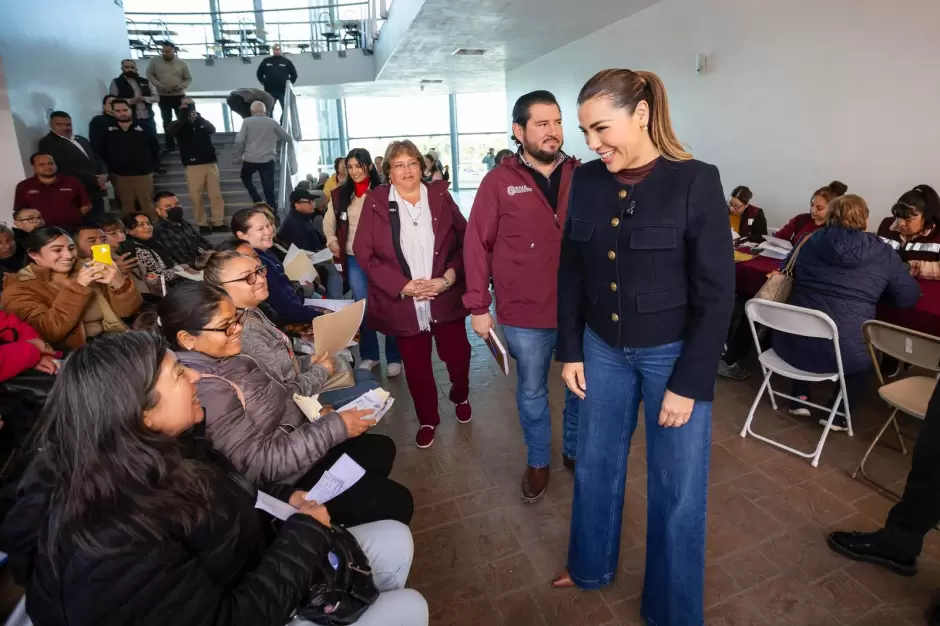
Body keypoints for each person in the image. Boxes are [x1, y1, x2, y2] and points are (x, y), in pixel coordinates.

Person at [0, 331, 428, 626]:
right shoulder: (112, 541)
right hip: (248, 599)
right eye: (178, 375)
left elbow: (237, 484)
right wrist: (304, 535)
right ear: (139, 412)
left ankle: (354, 602)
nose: (197, 377)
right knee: (409, 606)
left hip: (252, 557)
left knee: (395, 537)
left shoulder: (161, 444)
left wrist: (286, 497)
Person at [552, 70, 735, 626]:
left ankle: (673, 610)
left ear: (641, 115)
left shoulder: (695, 181)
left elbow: (716, 292)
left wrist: (689, 381)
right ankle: (588, 566)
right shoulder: (585, 180)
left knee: (676, 488)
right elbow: (571, 273)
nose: (591, 143)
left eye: (600, 128)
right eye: (584, 132)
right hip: (601, 349)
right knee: (596, 464)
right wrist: (571, 350)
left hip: (672, 358)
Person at [153, 282, 414, 526]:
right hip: (288, 479)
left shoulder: (229, 356)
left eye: (237, 319)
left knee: (381, 449)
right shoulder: (208, 388)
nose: (238, 329)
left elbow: (282, 393)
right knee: (398, 502)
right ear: (187, 339)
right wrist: (333, 427)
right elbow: (260, 465)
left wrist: (315, 415)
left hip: (299, 443)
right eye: (225, 326)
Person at [463, 90, 580, 501]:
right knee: (532, 391)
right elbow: (476, 244)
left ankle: (573, 449)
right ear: (519, 130)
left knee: (581, 387)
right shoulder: (499, 181)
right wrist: (478, 306)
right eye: (542, 124)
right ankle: (537, 460)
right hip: (523, 314)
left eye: (558, 122)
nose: (553, 132)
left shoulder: (581, 174)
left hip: (578, 310)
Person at [355, 140, 472, 449]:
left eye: (412, 163)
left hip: (444, 298)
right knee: (418, 368)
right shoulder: (376, 202)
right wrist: (401, 286)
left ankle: (460, 394)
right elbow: (364, 253)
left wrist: (448, 278)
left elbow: (466, 240)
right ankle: (428, 419)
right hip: (404, 305)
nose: (406, 170)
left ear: (422, 167)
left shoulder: (440, 196)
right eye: (398, 165)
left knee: (458, 357)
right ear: (388, 172)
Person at [772, 194, 920, 429]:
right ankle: (838, 414)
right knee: (869, 355)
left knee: (809, 328)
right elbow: (907, 298)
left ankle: (799, 395)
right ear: (866, 221)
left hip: (790, 342)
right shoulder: (883, 252)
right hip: (846, 352)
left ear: (830, 216)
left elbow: (784, 270)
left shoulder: (808, 240)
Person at [199, 250, 380, 406]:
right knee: (371, 387)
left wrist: (310, 361)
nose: (261, 279)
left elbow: (284, 367)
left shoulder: (252, 312)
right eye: (247, 277)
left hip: (300, 387)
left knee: (366, 376)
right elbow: (285, 393)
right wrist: (321, 370)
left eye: (259, 271)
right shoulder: (244, 330)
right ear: (220, 289)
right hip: (292, 407)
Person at [324, 149, 403, 377]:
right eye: (350, 167)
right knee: (363, 307)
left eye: (359, 166)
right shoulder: (340, 195)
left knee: (389, 305)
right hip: (353, 258)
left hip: (383, 259)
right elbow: (329, 224)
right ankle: (370, 356)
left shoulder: (383, 192)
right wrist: (331, 241)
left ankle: (395, 357)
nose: (354, 171)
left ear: (368, 166)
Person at [1, 227, 142, 350]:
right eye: (57, 250)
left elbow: (127, 312)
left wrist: (119, 285)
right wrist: (79, 286)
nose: (68, 255)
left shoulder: (87, 268)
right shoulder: (19, 286)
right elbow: (48, 331)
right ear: (34, 255)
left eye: (71, 248)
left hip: (115, 340)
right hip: (74, 355)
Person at [233, 207, 324, 325]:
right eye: (261, 229)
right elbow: (284, 307)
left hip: (298, 306)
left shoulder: (265, 252)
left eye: (268, 225)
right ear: (241, 235)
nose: (269, 231)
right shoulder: (256, 264)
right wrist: (322, 316)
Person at [167, 98, 226, 234]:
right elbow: (170, 132)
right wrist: (183, 118)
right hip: (192, 165)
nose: (189, 108)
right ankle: (202, 223)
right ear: (180, 107)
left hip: (210, 163)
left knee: (216, 195)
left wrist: (200, 118)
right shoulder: (178, 124)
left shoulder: (201, 121)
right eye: (186, 105)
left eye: (191, 105)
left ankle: (218, 222)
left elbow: (212, 129)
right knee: (196, 196)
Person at [38, 111, 107, 221]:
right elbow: (63, 168)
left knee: (100, 221)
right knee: (85, 225)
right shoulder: (48, 143)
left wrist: (103, 174)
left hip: (96, 190)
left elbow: (96, 157)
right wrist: (94, 179)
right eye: (59, 125)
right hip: (77, 192)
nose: (65, 128)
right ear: (51, 125)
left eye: (68, 124)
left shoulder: (81, 139)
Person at [280, 188, 343, 299]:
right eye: (309, 202)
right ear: (296, 204)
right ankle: (334, 301)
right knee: (334, 269)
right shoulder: (295, 223)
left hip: (313, 256)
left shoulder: (302, 218)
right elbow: (300, 250)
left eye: (313, 201)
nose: (313, 204)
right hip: (304, 261)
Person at [99, 98, 158, 216]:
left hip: (143, 173)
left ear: (130, 110)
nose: (122, 113)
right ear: (113, 112)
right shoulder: (107, 131)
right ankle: (132, 232)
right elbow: (102, 150)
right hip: (120, 175)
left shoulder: (145, 128)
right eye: (118, 111)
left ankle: (154, 230)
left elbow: (154, 148)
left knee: (147, 203)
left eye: (125, 110)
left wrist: (153, 167)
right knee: (127, 206)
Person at [235, 101, 291, 209]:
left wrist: (240, 154)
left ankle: (257, 200)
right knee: (268, 187)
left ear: (251, 111)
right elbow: (287, 138)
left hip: (250, 159)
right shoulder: (272, 123)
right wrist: (275, 138)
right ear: (265, 111)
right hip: (267, 159)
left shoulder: (246, 121)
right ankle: (272, 209)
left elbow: (239, 140)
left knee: (245, 177)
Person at [877, 184, 940, 278]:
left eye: (908, 219)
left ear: (926, 217)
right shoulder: (886, 224)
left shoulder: (937, 234)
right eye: (898, 217)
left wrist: (910, 267)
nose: (901, 223)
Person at [14, 154, 90, 231]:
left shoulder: (72, 182)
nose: (48, 167)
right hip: (41, 232)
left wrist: (74, 218)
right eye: (42, 164)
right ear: (34, 167)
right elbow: (20, 212)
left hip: (73, 230)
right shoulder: (24, 186)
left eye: (51, 163)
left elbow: (86, 205)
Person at [108, 59, 161, 169]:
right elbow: (113, 100)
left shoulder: (145, 81)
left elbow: (156, 97)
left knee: (153, 141)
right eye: (126, 67)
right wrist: (131, 101)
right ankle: (142, 167)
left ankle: (156, 166)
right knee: (136, 144)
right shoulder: (116, 82)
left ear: (136, 69)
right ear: (122, 69)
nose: (129, 69)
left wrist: (144, 99)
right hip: (130, 119)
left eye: (132, 67)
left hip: (147, 117)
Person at [146, 43, 192, 153]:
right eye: (163, 51)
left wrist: (180, 86)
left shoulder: (182, 64)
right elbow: (149, 74)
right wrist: (158, 85)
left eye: (168, 51)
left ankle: (184, 144)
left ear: (174, 51)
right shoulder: (154, 61)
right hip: (163, 96)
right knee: (166, 121)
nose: (165, 53)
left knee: (182, 120)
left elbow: (188, 79)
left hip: (179, 96)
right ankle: (169, 146)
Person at [151, 191, 213, 267]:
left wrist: (216, 254)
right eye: (168, 206)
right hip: (191, 269)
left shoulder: (184, 223)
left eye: (177, 204)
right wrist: (209, 262)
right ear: (158, 211)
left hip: (202, 261)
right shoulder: (161, 231)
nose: (175, 208)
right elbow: (182, 259)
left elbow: (202, 242)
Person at [775, 181, 847, 244]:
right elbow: (779, 236)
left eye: (819, 208)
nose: (813, 210)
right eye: (812, 205)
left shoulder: (836, 229)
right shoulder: (801, 219)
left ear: (833, 209)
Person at [123, 212, 179, 286]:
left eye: (148, 223)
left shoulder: (153, 242)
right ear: (128, 231)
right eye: (141, 225)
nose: (147, 227)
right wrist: (180, 270)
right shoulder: (138, 250)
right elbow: (160, 276)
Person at [256, 43, 297, 118]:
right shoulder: (266, 61)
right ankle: (270, 123)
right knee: (269, 109)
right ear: (273, 50)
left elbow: (294, 74)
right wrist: (263, 82)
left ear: (280, 50)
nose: (276, 51)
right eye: (275, 49)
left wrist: (289, 84)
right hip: (270, 90)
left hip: (283, 90)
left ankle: (283, 123)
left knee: (285, 109)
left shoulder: (286, 62)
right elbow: (259, 73)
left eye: (278, 49)